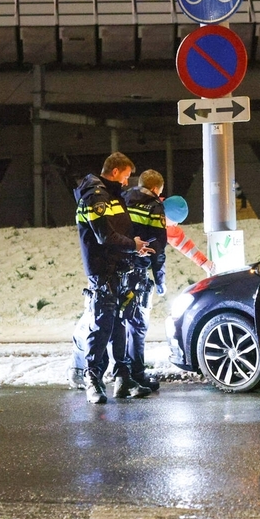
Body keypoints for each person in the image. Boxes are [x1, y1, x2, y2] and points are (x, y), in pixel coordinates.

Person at [69, 152, 154, 405]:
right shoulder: (95, 197)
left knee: (120, 325)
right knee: (102, 325)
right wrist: (134, 245)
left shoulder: (111, 195)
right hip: (102, 271)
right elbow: (104, 236)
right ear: (115, 171)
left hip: (119, 269)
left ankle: (123, 378)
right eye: (126, 176)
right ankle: (92, 379)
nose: (127, 182)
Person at [122, 170, 170, 393]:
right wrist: (160, 280)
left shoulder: (122, 198)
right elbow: (158, 248)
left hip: (117, 270)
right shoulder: (154, 206)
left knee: (117, 324)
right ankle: (137, 375)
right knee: (138, 325)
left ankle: (121, 374)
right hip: (137, 273)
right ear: (156, 189)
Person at [163, 195, 214, 275]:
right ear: (168, 216)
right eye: (175, 221)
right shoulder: (166, 227)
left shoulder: (150, 201)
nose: (175, 225)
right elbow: (185, 245)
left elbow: (186, 245)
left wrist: (203, 262)